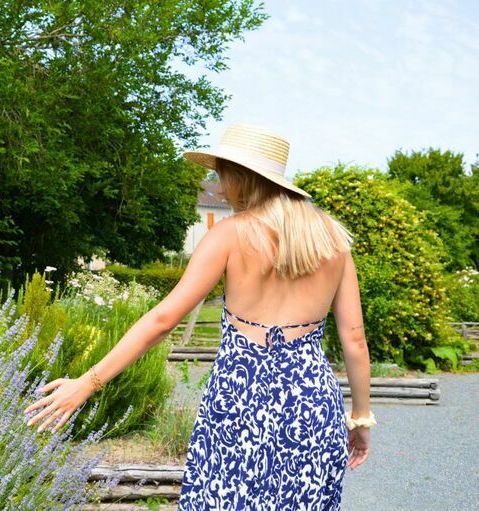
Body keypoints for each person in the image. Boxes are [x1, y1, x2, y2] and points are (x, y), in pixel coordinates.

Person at [23, 123, 375, 510]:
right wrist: (360, 419)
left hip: (238, 403)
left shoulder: (229, 235)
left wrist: (87, 383)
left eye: (222, 174)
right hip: (312, 406)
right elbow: (355, 342)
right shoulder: (333, 241)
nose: (220, 187)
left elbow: (163, 320)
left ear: (244, 177)